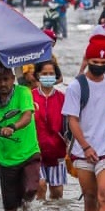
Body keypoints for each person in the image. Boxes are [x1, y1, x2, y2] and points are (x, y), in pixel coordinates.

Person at [62, 36, 105, 211]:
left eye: (104, 64)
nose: (99, 67)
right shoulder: (76, 87)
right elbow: (72, 121)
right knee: (89, 198)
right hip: (83, 151)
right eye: (95, 63)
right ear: (87, 60)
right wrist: (86, 147)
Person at [0, 64, 41, 211]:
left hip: (29, 153)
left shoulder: (23, 92)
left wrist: (13, 127)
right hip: (6, 160)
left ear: (13, 79)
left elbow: (27, 116)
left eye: (6, 79)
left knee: (31, 189)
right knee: (9, 209)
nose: (3, 84)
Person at [32, 61, 67, 200]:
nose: (48, 76)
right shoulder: (30, 97)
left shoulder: (62, 98)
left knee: (57, 193)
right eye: (44, 73)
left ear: (56, 75)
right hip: (35, 152)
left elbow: (69, 124)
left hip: (57, 151)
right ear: (38, 75)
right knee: (40, 186)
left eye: (51, 74)